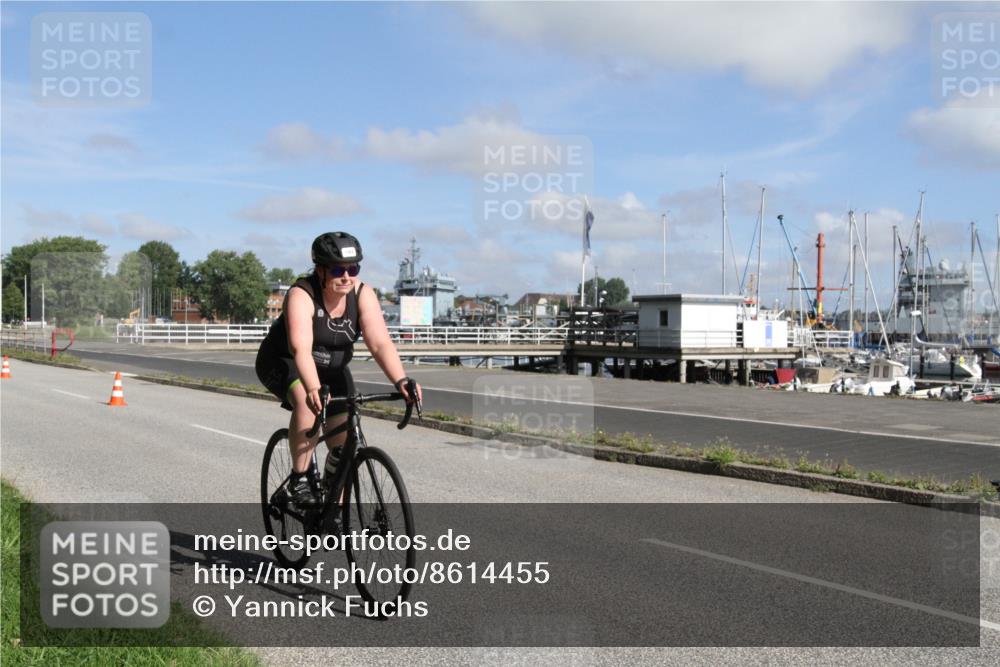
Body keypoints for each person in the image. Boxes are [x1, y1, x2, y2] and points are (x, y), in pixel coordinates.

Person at [255, 231, 421, 507]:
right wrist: (312, 388)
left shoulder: (363, 294)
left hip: (332, 368)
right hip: (285, 361)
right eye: (337, 270)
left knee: (343, 448)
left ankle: (332, 509)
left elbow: (380, 343)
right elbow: (301, 350)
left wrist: (401, 380)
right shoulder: (301, 295)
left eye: (352, 269)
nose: (346, 276)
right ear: (320, 270)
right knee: (307, 403)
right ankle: (299, 479)